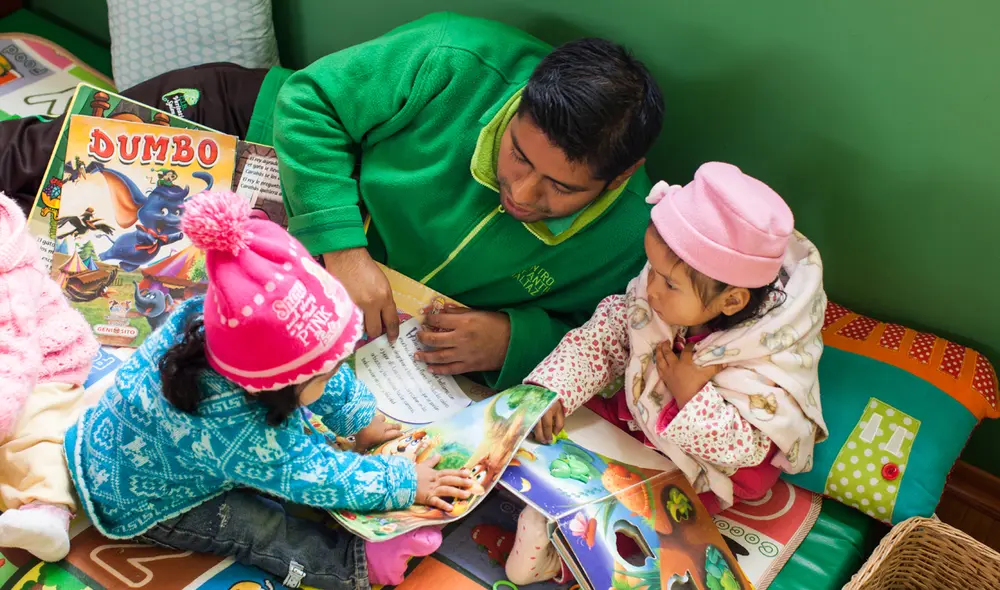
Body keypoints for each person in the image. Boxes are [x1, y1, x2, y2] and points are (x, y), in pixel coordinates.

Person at [0, 14, 663, 391]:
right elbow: (309, 103)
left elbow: (602, 330)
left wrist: (516, 338)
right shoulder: (456, 56)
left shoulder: (631, 239)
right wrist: (343, 246)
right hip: (252, 127)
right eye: (518, 155)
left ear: (618, 176)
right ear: (518, 102)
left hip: (303, 286)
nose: (522, 192)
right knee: (42, 165)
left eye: (559, 188)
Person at [63, 192, 476, 589]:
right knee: (258, 527)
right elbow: (316, 477)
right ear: (271, 387)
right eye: (325, 376)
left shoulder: (220, 320)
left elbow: (312, 359)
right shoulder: (241, 431)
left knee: (303, 428)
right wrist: (403, 481)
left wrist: (359, 417)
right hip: (139, 500)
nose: (335, 376)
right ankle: (354, 566)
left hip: (148, 442)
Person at [504, 163, 830, 584]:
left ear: (731, 301)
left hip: (704, 459)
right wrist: (553, 389)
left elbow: (748, 449)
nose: (651, 289)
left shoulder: (770, 348)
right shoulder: (662, 293)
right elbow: (607, 334)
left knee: (657, 524)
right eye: (650, 269)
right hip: (636, 417)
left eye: (669, 283)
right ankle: (553, 512)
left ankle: (566, 560)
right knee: (545, 435)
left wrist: (692, 395)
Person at [0, 192, 99, 561]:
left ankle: (46, 511)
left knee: (37, 434)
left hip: (43, 365)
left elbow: (15, 360)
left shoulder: (9, 281)